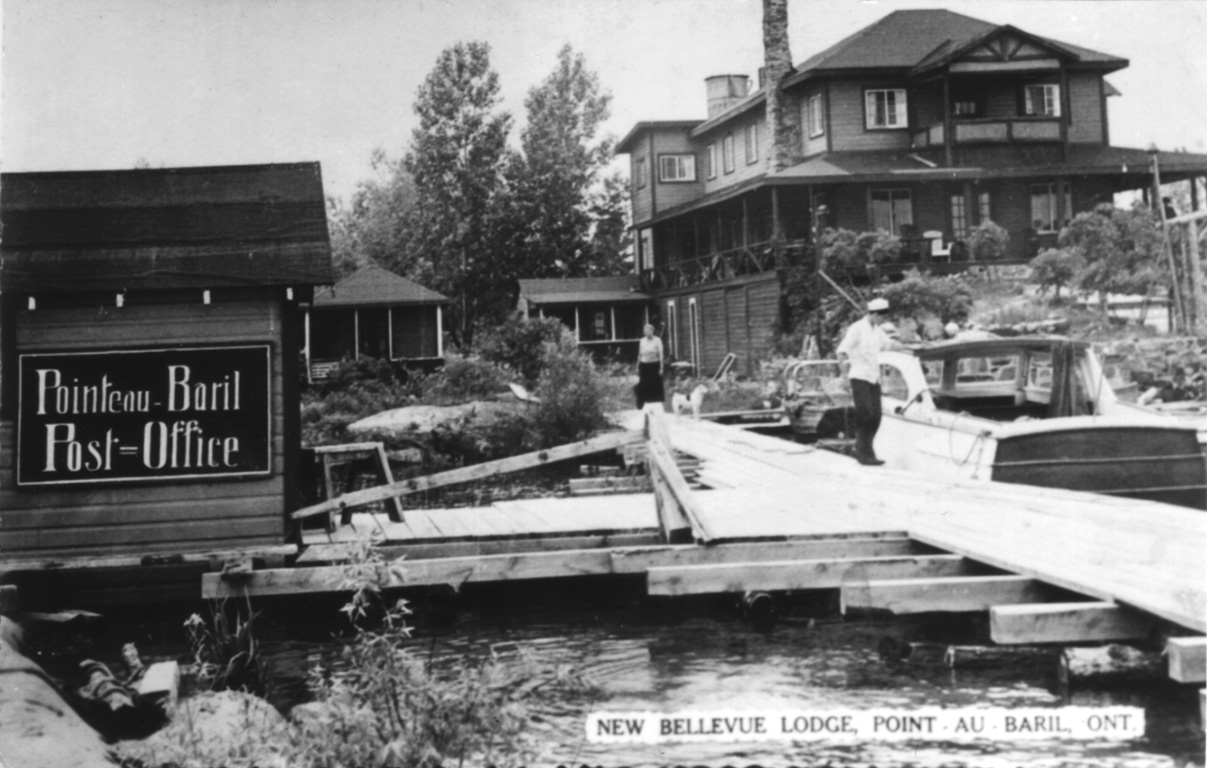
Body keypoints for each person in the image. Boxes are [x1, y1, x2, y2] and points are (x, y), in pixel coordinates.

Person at [836, 297, 899, 466]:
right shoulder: (857, 328)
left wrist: (911, 345)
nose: (883, 321)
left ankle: (865, 450)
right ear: (875, 314)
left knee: (876, 416)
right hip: (859, 376)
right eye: (882, 317)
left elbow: (889, 345)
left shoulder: (877, 330)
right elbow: (842, 352)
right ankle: (863, 453)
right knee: (866, 414)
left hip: (874, 377)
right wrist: (843, 376)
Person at [635, 323, 665, 411]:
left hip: (654, 365)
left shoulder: (657, 340)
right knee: (643, 384)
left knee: (655, 385)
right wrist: (637, 367)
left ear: (652, 331)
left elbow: (661, 354)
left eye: (648, 331)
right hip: (644, 365)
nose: (646, 333)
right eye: (645, 331)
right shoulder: (642, 341)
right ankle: (641, 403)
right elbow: (639, 355)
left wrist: (661, 367)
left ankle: (656, 403)